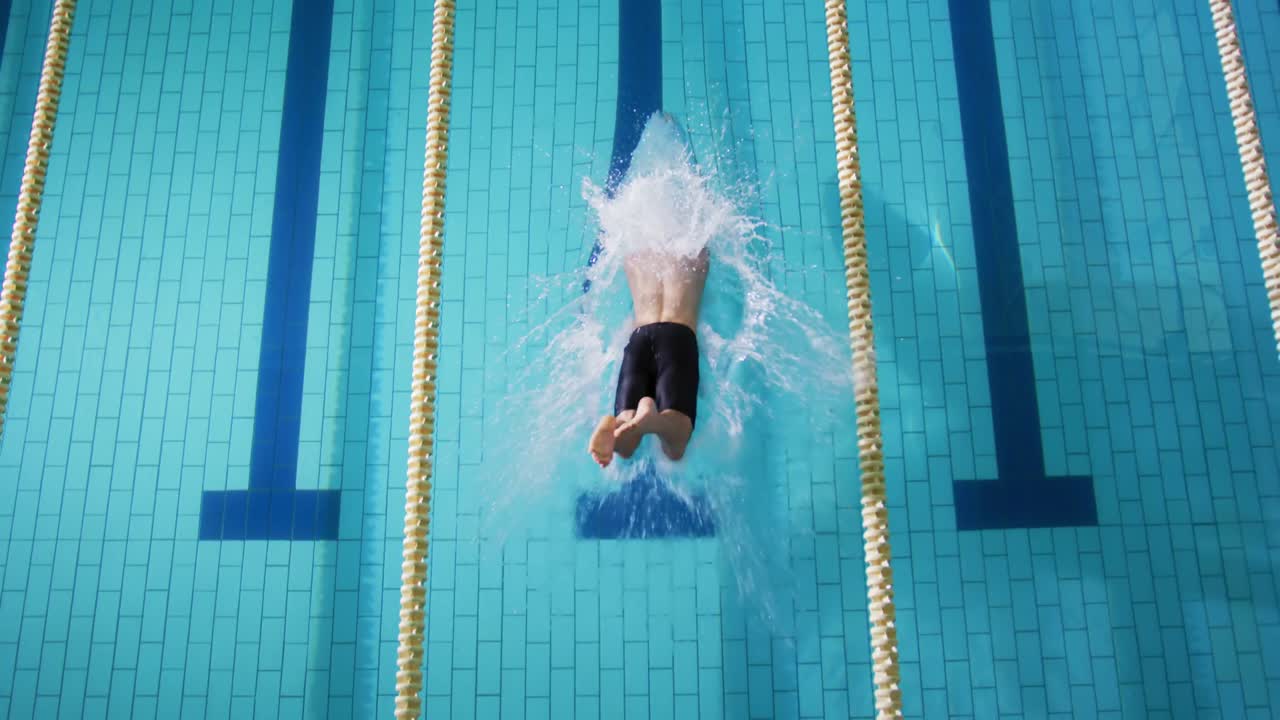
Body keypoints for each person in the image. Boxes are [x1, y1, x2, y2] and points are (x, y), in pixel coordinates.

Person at [588, 246, 709, 467]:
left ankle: (615, 427)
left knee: (626, 447)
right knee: (676, 447)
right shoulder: (693, 238)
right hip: (677, 335)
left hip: (639, 337)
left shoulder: (633, 241)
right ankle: (655, 422)